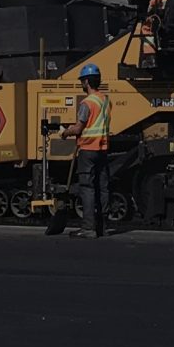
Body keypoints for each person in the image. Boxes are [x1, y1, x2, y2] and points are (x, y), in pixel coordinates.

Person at [69, 62, 113, 236]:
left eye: (82, 81)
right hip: (103, 149)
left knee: (87, 187)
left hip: (88, 149)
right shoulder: (105, 101)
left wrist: (66, 132)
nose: (81, 84)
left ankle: (88, 228)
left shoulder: (87, 103)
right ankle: (104, 227)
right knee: (103, 187)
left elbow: (79, 128)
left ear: (86, 82)